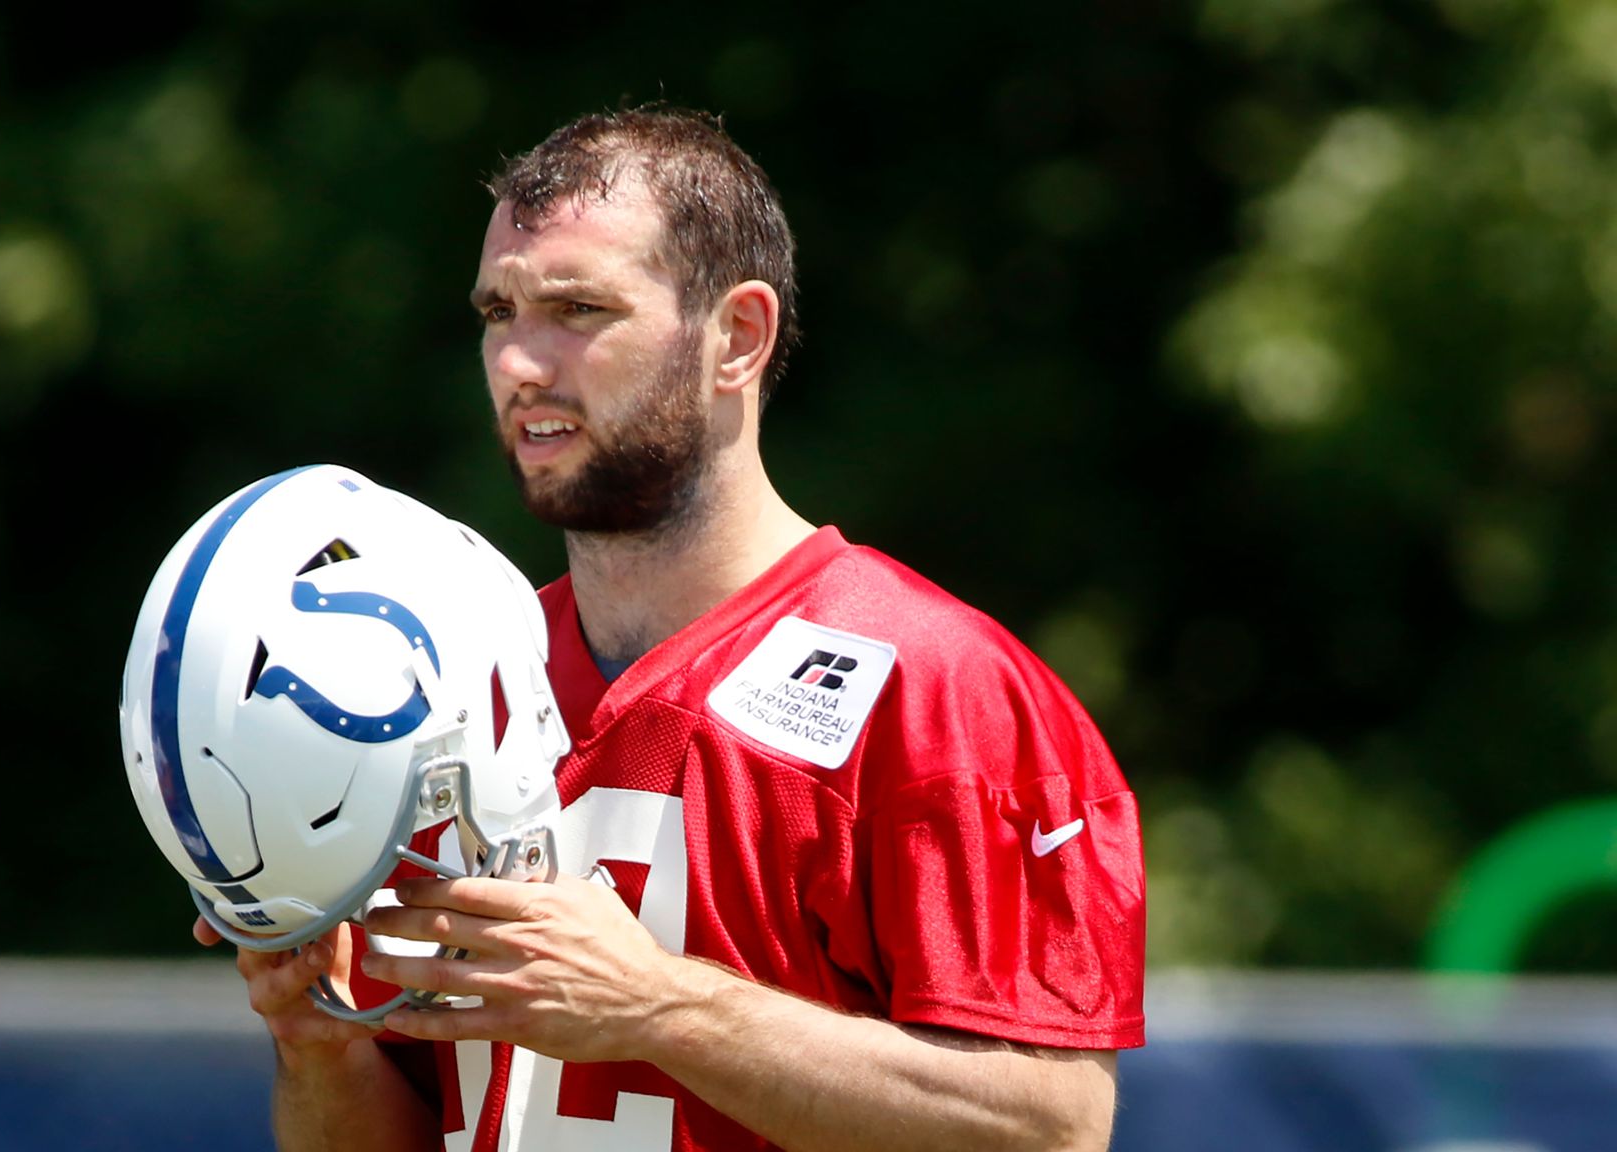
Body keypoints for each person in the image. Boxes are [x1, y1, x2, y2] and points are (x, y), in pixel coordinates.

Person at [196, 106, 1146, 1152]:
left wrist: (658, 1009)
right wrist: (319, 1042)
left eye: (577, 308)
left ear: (734, 336)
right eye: (496, 310)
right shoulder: (439, 689)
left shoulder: (937, 690)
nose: (517, 362)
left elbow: (1051, 1130)